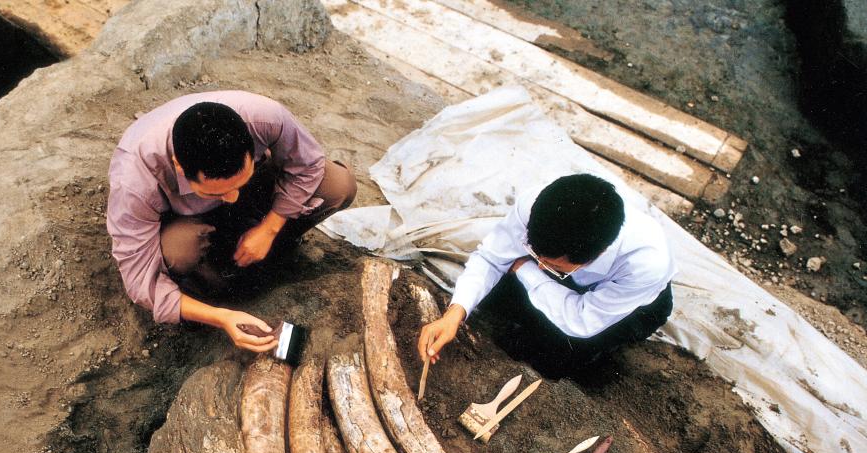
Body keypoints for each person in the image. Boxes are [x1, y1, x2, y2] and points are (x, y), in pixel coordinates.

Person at [107, 91, 357, 353]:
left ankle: (266, 246)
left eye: (240, 181)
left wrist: (270, 228)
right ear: (179, 167)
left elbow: (309, 165)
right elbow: (140, 281)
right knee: (178, 250)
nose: (232, 198)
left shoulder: (264, 118)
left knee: (337, 185)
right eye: (215, 192)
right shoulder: (133, 182)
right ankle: (210, 280)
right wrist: (221, 317)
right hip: (186, 222)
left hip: (254, 196)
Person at [418, 174, 675, 379]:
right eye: (536, 255)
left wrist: (525, 268)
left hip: (630, 306)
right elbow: (491, 257)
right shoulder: (537, 204)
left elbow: (581, 321)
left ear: (598, 254)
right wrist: (455, 314)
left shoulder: (646, 262)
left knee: (556, 359)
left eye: (552, 265)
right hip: (563, 273)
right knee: (491, 300)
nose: (541, 266)